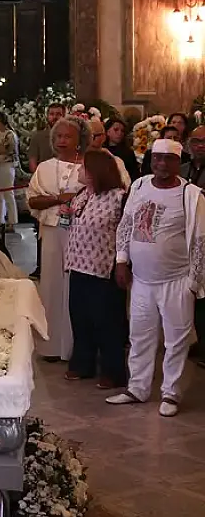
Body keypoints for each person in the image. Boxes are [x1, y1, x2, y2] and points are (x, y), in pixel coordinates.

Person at [109, 139, 205, 417]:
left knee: (176, 340)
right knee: (139, 335)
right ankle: (137, 388)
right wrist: (121, 261)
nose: (161, 164)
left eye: (168, 159)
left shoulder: (191, 194)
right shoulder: (139, 186)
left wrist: (193, 282)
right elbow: (126, 225)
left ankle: (170, 394)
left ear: (179, 162)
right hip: (141, 280)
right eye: (157, 158)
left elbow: (200, 240)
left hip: (177, 281)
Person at [27, 116, 90, 362]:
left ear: (80, 141)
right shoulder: (44, 167)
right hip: (54, 232)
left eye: (67, 137)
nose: (61, 141)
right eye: (58, 136)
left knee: (77, 286)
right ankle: (52, 345)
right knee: (53, 284)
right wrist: (58, 199)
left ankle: (78, 346)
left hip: (82, 234)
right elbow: (32, 200)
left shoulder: (90, 166)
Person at [64, 149, 128, 388]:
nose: (79, 171)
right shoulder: (82, 194)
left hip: (103, 267)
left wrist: (124, 263)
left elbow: (124, 232)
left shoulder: (119, 197)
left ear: (95, 172)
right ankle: (83, 364)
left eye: (83, 168)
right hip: (78, 265)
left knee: (106, 322)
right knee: (80, 318)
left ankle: (113, 371)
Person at [184, 126, 205, 366]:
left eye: (204, 141)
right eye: (196, 141)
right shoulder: (181, 171)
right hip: (185, 242)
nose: (200, 145)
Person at [0, 112, 19, 229]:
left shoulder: (9, 135)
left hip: (6, 167)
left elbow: (10, 152)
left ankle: (12, 220)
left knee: (8, 193)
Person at [88, 119, 131, 187]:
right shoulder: (75, 157)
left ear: (103, 137)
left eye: (92, 136)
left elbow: (125, 186)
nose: (87, 140)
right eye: (83, 136)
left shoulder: (115, 161)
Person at [29, 103, 67, 173]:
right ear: (47, 116)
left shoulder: (71, 137)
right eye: (51, 114)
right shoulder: (37, 137)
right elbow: (32, 162)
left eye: (58, 114)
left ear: (64, 117)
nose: (55, 117)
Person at [104, 117, 140, 182]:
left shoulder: (128, 152)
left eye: (122, 131)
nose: (120, 133)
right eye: (116, 130)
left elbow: (135, 175)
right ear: (107, 132)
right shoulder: (101, 151)